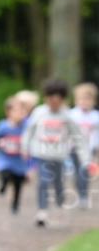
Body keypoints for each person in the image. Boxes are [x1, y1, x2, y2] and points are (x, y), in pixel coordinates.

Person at [21, 79, 89, 227]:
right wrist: (25, 148)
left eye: (57, 100)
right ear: (46, 98)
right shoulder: (39, 112)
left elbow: (78, 138)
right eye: (51, 100)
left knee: (58, 183)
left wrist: (85, 159)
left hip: (59, 156)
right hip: (41, 154)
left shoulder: (68, 116)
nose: (54, 103)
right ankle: (42, 212)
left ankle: (59, 199)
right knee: (43, 182)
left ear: (63, 100)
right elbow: (29, 131)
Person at [0, 96, 30, 214]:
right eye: (16, 111)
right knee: (5, 173)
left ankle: (15, 204)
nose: (20, 114)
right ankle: (2, 184)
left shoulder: (26, 127)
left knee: (18, 183)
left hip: (19, 160)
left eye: (22, 111)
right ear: (8, 112)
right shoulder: (3, 126)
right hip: (5, 158)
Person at [69, 82, 99, 208]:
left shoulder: (95, 116)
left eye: (88, 99)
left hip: (89, 149)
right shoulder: (72, 115)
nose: (85, 102)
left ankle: (83, 197)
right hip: (74, 148)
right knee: (77, 173)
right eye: (82, 99)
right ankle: (80, 191)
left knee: (85, 172)